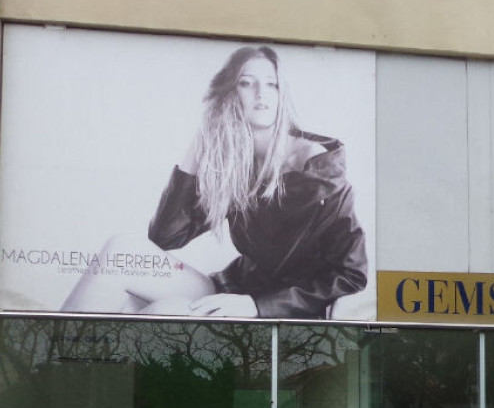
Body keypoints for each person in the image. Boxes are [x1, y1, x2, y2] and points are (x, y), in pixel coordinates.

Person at [146, 45, 368, 319]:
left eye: (272, 84)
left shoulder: (320, 172)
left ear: (282, 94)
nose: (261, 93)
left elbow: (351, 275)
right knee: (119, 251)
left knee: (162, 310)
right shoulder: (234, 165)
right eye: (246, 83)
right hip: (230, 292)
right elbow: (164, 237)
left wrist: (258, 306)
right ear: (229, 94)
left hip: (276, 311)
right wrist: (200, 141)